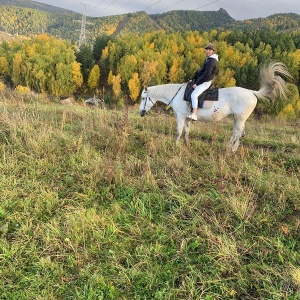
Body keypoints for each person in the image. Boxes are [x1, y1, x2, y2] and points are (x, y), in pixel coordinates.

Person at [188, 43, 219, 121]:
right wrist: (193, 78)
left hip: (205, 82)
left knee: (194, 95)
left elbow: (207, 74)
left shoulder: (211, 61)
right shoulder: (208, 59)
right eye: (207, 50)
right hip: (203, 80)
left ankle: (194, 114)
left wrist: (196, 83)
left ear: (213, 51)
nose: (207, 51)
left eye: (209, 50)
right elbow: (200, 71)